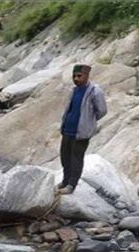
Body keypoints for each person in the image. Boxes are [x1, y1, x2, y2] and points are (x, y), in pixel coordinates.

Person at [58, 64, 107, 195]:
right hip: (67, 130)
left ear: (86, 76)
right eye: (74, 76)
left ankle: (71, 185)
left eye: (79, 76)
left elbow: (102, 111)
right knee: (65, 157)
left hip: (81, 133)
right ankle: (65, 181)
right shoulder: (74, 90)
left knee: (76, 159)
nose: (76, 78)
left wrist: (88, 121)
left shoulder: (95, 91)